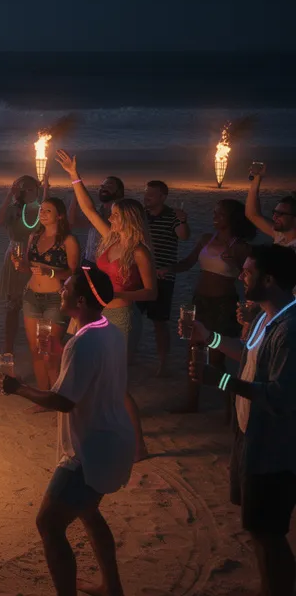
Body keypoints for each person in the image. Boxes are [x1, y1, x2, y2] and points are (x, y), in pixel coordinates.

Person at [2, 266, 135, 596]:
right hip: (114, 440)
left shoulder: (84, 343)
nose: (60, 290)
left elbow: (62, 401)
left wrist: (19, 389)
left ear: (79, 300)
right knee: (89, 512)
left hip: (90, 451)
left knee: (48, 523)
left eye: (66, 288)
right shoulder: (109, 332)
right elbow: (87, 378)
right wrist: (59, 354)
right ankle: (112, 587)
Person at [186, 245, 296, 596]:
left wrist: (217, 380)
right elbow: (247, 352)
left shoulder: (290, 329)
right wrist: (208, 336)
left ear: (269, 279)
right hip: (249, 437)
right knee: (257, 529)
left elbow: (279, 396)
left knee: (268, 533)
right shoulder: (267, 315)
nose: (240, 277)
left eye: (247, 272)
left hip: (274, 450)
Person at [58, 150, 152, 461]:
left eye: (114, 214)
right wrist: (74, 173)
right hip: (93, 313)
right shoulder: (110, 238)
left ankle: (139, 444)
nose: (109, 215)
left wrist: (123, 296)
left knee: (116, 383)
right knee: (88, 371)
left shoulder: (138, 251)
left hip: (119, 316)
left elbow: (152, 292)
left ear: (127, 218)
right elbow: (86, 207)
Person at [169, 199, 256, 414]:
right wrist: (165, 268)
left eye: (220, 214)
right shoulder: (207, 238)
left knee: (217, 359)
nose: (214, 217)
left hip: (223, 305)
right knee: (193, 352)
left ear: (232, 218)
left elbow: (249, 278)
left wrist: (248, 310)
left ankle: (229, 406)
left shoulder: (240, 247)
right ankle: (192, 402)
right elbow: (188, 263)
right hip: (199, 301)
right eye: (214, 212)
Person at [14, 198, 80, 399]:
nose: (42, 213)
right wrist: (19, 265)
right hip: (32, 297)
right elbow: (29, 267)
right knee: (35, 349)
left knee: (50, 350)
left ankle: (58, 398)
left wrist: (49, 273)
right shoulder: (34, 236)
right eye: (41, 210)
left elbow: (73, 273)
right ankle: (42, 398)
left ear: (59, 215)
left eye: (47, 211)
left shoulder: (68, 241)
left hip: (55, 299)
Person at [140, 180, 190, 375]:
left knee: (159, 321)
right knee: (132, 315)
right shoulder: (142, 215)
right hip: (140, 274)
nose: (146, 198)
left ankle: (163, 362)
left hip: (162, 276)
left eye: (151, 195)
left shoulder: (172, 216)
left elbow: (184, 235)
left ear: (162, 197)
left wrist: (183, 220)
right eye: (146, 194)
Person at [0, 176, 47, 356]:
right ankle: (9, 346)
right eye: (23, 189)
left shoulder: (43, 210)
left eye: (31, 188)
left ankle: (41, 345)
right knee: (13, 305)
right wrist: (8, 195)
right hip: (15, 258)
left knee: (39, 304)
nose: (28, 192)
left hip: (37, 258)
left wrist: (46, 188)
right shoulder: (14, 210)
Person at [69, 174, 124, 255]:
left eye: (109, 185)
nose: (103, 188)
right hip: (90, 260)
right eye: (102, 186)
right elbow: (72, 221)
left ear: (119, 191)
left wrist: (75, 179)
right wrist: (76, 196)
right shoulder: (99, 211)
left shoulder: (123, 214)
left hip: (110, 263)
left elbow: (89, 210)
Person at [245, 163, 296, 248]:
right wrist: (257, 178)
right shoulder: (281, 236)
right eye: (274, 213)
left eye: (280, 214)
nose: (274, 218)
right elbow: (253, 214)